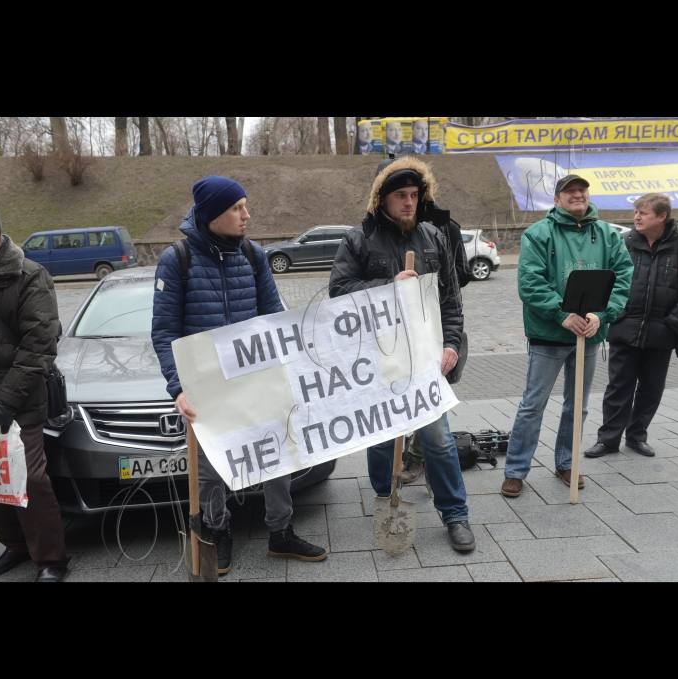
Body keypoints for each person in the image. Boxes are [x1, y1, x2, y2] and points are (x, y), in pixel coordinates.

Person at [152, 176, 328, 576]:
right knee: (211, 470)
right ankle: (217, 531)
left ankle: (281, 533)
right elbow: (164, 332)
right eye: (237, 208)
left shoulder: (254, 255)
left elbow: (273, 317)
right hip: (206, 391)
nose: (247, 215)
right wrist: (177, 388)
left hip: (256, 382)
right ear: (214, 214)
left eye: (245, 206)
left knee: (277, 455)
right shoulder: (176, 260)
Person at [329, 157, 476, 553]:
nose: (409, 203)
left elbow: (451, 300)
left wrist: (451, 343)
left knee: (439, 439)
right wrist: (386, 285)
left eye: (414, 195)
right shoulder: (358, 239)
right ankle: (384, 498)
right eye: (400, 196)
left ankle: (455, 513)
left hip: (424, 357)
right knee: (380, 438)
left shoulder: (434, 236)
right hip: (377, 359)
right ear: (382, 199)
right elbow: (338, 293)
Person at [501, 175, 634, 499]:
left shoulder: (606, 235)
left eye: (582, 190)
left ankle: (566, 463)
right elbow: (530, 283)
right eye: (570, 191)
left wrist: (601, 315)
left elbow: (623, 278)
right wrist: (562, 315)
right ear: (558, 199)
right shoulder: (538, 234)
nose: (578, 195)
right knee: (533, 404)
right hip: (549, 335)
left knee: (578, 406)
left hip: (589, 335)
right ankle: (516, 471)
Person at [0, 202, 71, 583]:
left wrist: (4, 400)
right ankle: (14, 545)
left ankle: (51, 560)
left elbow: (39, 344)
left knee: (28, 479)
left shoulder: (29, 276)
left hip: (20, 400)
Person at [586, 194, 678, 459]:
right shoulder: (623, 243)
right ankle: (608, 440)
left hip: (663, 332)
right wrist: (617, 314)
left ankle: (636, 436)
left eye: (643, 213)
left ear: (662, 217)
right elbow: (607, 282)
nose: (636, 217)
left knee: (651, 389)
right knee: (617, 388)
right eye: (636, 212)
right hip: (624, 328)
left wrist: (672, 323)